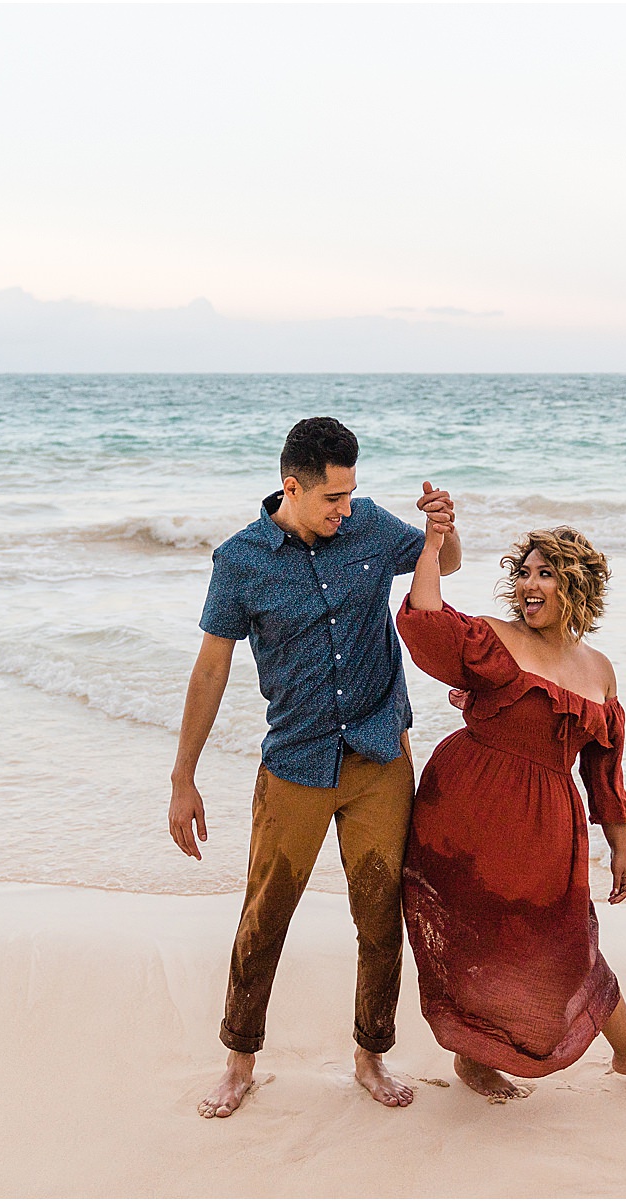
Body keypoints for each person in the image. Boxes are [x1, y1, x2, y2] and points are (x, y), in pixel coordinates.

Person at [168, 416, 462, 1118]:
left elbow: (440, 567)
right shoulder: (241, 560)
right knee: (265, 917)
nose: (346, 509)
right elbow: (211, 669)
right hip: (296, 764)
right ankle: (238, 1063)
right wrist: (184, 776)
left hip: (379, 758)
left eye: (353, 493)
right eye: (333, 498)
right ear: (291, 488)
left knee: (380, 917)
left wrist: (445, 529)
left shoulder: (369, 527)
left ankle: (371, 1055)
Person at [395, 521, 626, 1099]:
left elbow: (604, 771)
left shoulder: (599, 671)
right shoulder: (494, 639)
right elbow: (426, 620)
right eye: (524, 573)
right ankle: (475, 1059)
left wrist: (621, 847)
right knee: (470, 936)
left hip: (548, 825)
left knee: (568, 942)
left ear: (575, 585)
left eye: (545, 573)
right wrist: (433, 543)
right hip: (464, 810)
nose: (530, 585)